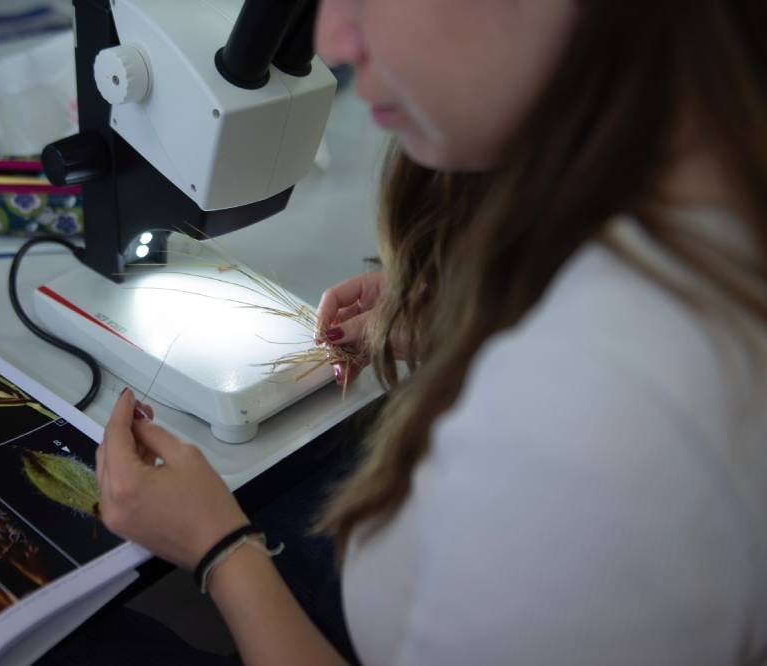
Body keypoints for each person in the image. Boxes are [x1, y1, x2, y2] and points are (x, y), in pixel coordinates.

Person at [94, 1, 766, 664]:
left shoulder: (596, 421)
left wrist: (217, 549)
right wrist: (476, 318)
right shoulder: (696, 217)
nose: (331, 39)